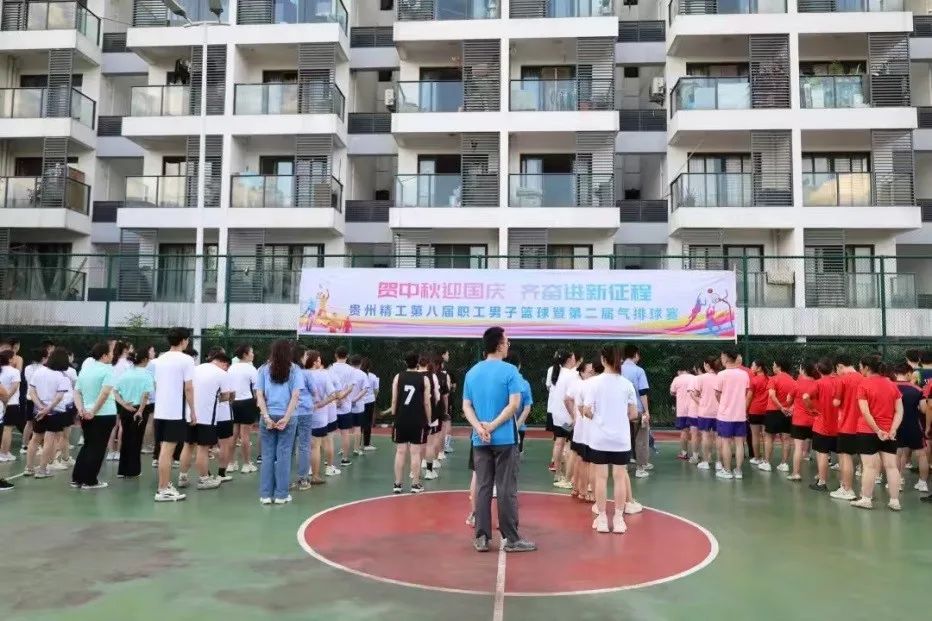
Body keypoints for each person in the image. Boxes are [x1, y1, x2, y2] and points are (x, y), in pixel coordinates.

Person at [463, 327, 536, 553]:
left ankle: (481, 537)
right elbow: (514, 404)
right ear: (499, 345)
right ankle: (511, 538)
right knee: (506, 489)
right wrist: (493, 426)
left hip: (480, 439)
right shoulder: (510, 371)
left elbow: (466, 406)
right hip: (505, 438)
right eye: (507, 341)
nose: (508, 345)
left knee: (483, 487)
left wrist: (479, 427)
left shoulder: (472, 372)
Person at [582, 345, 638, 534]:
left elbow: (587, 411)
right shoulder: (627, 384)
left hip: (599, 439)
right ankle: (619, 519)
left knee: (601, 478)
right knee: (620, 478)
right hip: (621, 439)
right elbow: (633, 414)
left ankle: (602, 519)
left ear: (603, 360)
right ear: (619, 360)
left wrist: (595, 417)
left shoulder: (593, 383)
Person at [851, 356, 903, 511]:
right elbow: (899, 411)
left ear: (867, 367)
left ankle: (866, 499)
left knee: (869, 467)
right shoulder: (892, 385)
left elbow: (865, 411)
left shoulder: (864, 384)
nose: (860, 369)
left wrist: (877, 430)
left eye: (860, 366)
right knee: (892, 467)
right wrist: (892, 429)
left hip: (868, 431)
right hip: (889, 432)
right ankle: (895, 501)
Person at [152, 327, 196, 502]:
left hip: (161, 411)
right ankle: (162, 489)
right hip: (174, 412)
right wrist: (193, 411)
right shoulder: (187, 360)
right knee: (167, 452)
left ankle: (165, 484)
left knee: (164, 450)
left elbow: (156, 384)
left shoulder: (159, 359)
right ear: (184, 341)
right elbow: (189, 388)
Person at [256, 339, 302, 505]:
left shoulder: (263, 369)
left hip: (268, 415)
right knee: (284, 455)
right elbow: (295, 395)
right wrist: (287, 417)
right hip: (288, 417)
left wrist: (266, 417)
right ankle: (281, 495)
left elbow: (259, 395)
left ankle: (266, 495)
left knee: (267, 455)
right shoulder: (295, 370)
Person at [179, 349, 232, 491]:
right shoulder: (222, 374)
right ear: (224, 363)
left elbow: (186, 388)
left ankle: (182, 477)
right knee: (203, 448)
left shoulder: (195, 369)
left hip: (190, 414)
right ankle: (204, 479)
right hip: (207, 417)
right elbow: (226, 396)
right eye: (226, 366)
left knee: (188, 445)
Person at [26, 347, 72, 479]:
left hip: (38, 411)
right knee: (49, 440)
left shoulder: (39, 372)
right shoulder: (63, 377)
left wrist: (40, 407)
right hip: (55, 412)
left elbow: (32, 391)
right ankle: (42, 470)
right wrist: (47, 409)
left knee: (35, 439)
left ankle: (29, 468)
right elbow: (59, 397)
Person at [390, 352, 432, 494]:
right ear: (418, 363)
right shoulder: (424, 379)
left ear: (405, 362)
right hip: (417, 419)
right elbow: (427, 402)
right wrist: (429, 419)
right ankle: (415, 484)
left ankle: (397, 484)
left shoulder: (398, 377)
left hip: (401, 418)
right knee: (415, 453)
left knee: (400, 451)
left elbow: (394, 399)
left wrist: (394, 414)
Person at [112, 350, 154, 479]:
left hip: (126, 409)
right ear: (145, 360)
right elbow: (145, 394)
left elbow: (115, 391)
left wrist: (123, 404)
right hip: (140, 409)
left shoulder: (125, 374)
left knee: (126, 438)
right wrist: (140, 410)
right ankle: (133, 470)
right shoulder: (147, 374)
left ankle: (122, 470)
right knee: (136, 440)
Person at [714, 349, 751, 480]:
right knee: (740, 443)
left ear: (726, 357)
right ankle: (738, 471)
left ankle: (727, 470)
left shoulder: (721, 375)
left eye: (721, 356)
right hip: (740, 414)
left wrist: (724, 403)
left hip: (725, 415)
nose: (721, 359)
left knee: (726, 442)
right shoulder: (744, 374)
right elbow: (746, 392)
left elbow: (717, 394)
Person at [892, 362, 929, 493]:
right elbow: (924, 409)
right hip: (913, 425)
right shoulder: (917, 390)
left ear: (895, 373)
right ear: (908, 373)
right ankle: (922, 483)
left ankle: (897, 481)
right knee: (921, 454)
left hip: (894, 426)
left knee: (897, 454)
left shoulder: (890, 387)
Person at [831, 354, 863, 501]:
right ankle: (865, 493)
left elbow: (836, 402)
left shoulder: (842, 379)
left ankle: (847, 489)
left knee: (845, 457)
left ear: (840, 366)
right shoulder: (863, 378)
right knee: (865, 459)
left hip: (847, 425)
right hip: (863, 426)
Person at [547, 351, 578, 487]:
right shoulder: (572, 375)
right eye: (574, 357)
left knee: (559, 442)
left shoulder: (556, 372)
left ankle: (558, 474)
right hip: (568, 417)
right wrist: (574, 416)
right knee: (570, 445)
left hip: (557, 415)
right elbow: (571, 397)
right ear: (570, 359)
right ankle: (567, 476)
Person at [621, 345, 651, 479]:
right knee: (641, 438)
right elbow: (643, 392)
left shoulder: (617, 369)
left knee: (624, 437)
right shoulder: (639, 371)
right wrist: (647, 411)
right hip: (637, 409)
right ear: (636, 355)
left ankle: (624, 465)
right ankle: (640, 467)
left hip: (621, 411)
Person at [228, 344, 259, 474]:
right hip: (246, 402)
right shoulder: (251, 369)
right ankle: (246, 464)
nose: (253, 354)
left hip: (233, 403)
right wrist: (259, 403)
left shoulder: (231, 368)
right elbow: (256, 390)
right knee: (245, 435)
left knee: (234, 434)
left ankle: (230, 464)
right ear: (245, 354)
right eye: (251, 352)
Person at [306, 350, 336, 486]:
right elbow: (333, 394)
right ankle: (315, 475)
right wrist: (320, 404)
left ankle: (305, 472)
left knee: (304, 445)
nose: (320, 362)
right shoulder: (324, 375)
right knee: (316, 446)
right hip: (319, 416)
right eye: (318, 360)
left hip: (302, 414)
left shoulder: (299, 374)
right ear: (315, 362)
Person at [330, 347, 363, 467]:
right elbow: (350, 388)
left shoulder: (330, 368)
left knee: (330, 435)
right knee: (345, 434)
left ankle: (329, 460)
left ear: (335, 355)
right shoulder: (351, 370)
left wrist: (336, 398)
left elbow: (328, 386)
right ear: (347, 356)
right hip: (345, 407)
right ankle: (344, 459)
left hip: (332, 406)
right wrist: (341, 397)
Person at [809, 358, 838, 492]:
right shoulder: (839, 381)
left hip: (822, 424)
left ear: (818, 370)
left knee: (822, 454)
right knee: (841, 455)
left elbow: (806, 397)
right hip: (838, 424)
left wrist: (811, 409)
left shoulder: (818, 383)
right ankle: (844, 484)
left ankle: (822, 481)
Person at [760, 359, 795, 473]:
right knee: (786, 438)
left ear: (779, 367)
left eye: (774, 365)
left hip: (773, 411)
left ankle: (766, 463)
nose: (772, 367)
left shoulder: (774, 379)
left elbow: (772, 395)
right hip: (787, 413)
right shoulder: (793, 381)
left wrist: (780, 407)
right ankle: (784, 464)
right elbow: (796, 398)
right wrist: (789, 408)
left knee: (769, 437)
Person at [788, 361, 819, 482]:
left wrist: (792, 403)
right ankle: (820, 474)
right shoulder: (817, 384)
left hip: (799, 421)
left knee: (798, 448)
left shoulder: (797, 384)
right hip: (814, 421)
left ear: (803, 370)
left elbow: (788, 399)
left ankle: (796, 473)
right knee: (819, 450)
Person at [291, 344, 316, 490]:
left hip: (289, 412)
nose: (307, 357)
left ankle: (285, 479)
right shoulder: (305, 373)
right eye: (306, 355)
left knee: (287, 446)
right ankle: (303, 479)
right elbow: (314, 391)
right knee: (304, 445)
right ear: (300, 356)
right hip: (305, 412)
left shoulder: (287, 372)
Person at [691, 357, 720, 470]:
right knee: (719, 437)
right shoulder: (720, 377)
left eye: (704, 364)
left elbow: (695, 394)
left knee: (705, 436)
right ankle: (719, 462)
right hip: (719, 412)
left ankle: (706, 461)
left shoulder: (701, 378)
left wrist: (700, 400)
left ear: (707, 365)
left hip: (705, 412)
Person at [0, 350, 22, 462]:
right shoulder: (14, 371)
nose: (15, 359)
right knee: (7, 429)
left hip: (2, 403)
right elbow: (14, 387)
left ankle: (4, 452)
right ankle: (4, 453)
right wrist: (6, 398)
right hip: (11, 403)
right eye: (14, 357)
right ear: (9, 359)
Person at [747, 360, 770, 466]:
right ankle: (766, 459)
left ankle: (757, 458)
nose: (751, 367)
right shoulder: (770, 379)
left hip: (754, 410)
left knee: (755, 436)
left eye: (753, 365)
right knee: (767, 437)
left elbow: (749, 397)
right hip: (767, 411)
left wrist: (745, 410)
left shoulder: (753, 380)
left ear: (759, 368)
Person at [670, 362, 694, 461]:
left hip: (682, 410)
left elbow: (672, 392)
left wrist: (679, 394)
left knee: (684, 431)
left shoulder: (677, 379)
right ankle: (696, 454)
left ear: (679, 371)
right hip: (694, 409)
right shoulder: (694, 378)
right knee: (696, 432)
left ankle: (684, 453)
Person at [361, 358, 379, 451]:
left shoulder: (358, 375)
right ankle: (366, 444)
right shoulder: (373, 376)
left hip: (359, 401)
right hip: (369, 401)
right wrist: (374, 397)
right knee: (367, 422)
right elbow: (376, 389)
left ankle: (357, 445)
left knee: (358, 423)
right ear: (369, 367)